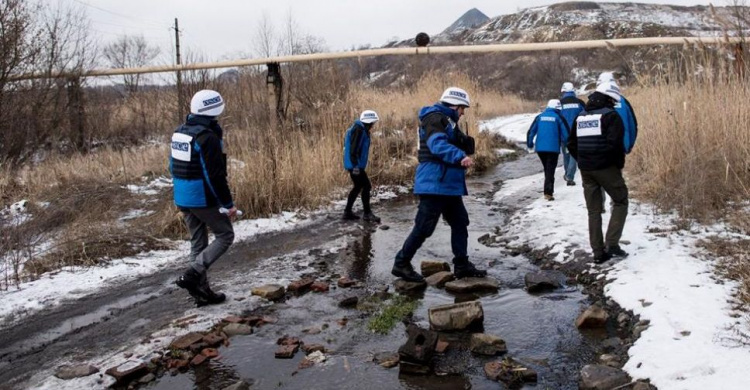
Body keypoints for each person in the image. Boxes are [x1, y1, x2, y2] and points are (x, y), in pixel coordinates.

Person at [391, 87, 487, 282]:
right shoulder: (435, 118)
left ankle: (461, 265)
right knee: (424, 227)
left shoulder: (448, 121)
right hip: (434, 183)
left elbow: (451, 141)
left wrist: (465, 143)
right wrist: (460, 156)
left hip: (447, 185)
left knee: (460, 222)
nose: (463, 112)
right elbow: (437, 145)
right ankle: (401, 263)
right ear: (454, 105)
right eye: (462, 108)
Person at [171, 90, 236, 306]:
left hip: (183, 196)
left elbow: (172, 166)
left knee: (198, 244)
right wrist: (228, 205)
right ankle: (194, 273)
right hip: (201, 197)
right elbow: (215, 176)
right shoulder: (207, 137)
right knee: (225, 235)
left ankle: (202, 293)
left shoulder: (180, 132)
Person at [567, 82, 629, 264]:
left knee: (593, 211)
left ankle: (598, 253)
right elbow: (616, 145)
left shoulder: (580, 117)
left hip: (586, 170)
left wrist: (583, 160)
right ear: (609, 99)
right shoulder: (611, 116)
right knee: (620, 200)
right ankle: (612, 245)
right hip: (607, 168)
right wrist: (617, 165)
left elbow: (571, 144)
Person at [596, 72, 639, 213]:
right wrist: (629, 144)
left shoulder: (595, 102)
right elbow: (632, 124)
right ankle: (616, 203)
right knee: (616, 177)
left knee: (600, 177)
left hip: (600, 148)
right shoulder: (624, 101)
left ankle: (600, 205)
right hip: (620, 146)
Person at [526, 99, 570, 201]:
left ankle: (548, 189)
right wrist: (569, 145)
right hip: (553, 148)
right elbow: (566, 135)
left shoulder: (539, 117)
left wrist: (530, 144)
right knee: (550, 169)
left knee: (547, 168)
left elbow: (531, 131)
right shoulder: (558, 117)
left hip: (540, 149)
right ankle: (548, 192)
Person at [343, 110, 381, 222]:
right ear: (368, 122)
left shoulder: (361, 129)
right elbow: (353, 150)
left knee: (358, 186)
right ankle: (367, 214)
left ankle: (347, 212)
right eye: (373, 122)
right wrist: (355, 166)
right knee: (366, 186)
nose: (373, 125)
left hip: (355, 164)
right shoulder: (358, 130)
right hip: (355, 165)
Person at [559, 82, 585, 186]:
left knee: (566, 154)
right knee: (574, 154)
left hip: (563, 134)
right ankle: (569, 176)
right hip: (577, 133)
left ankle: (568, 175)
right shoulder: (580, 103)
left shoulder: (559, 103)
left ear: (563, 91)